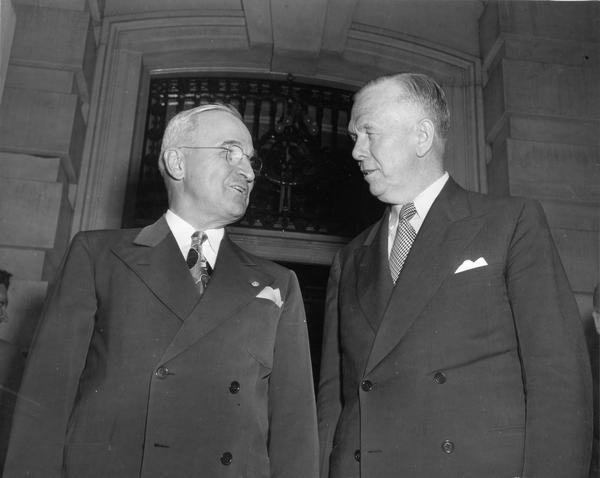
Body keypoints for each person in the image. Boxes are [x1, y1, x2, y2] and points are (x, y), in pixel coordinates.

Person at [3, 104, 319, 477]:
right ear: (177, 163)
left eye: (251, 161)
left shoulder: (277, 283)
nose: (248, 172)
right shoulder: (98, 256)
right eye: (230, 151)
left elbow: (294, 433)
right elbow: (45, 402)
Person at [317, 73, 592, 478]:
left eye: (368, 132)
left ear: (422, 136)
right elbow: (333, 404)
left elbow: (558, 380)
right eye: (354, 136)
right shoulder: (349, 258)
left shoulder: (510, 223)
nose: (357, 151)